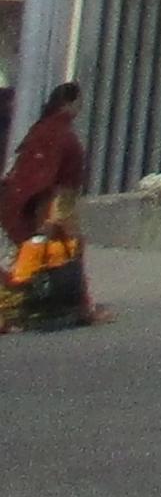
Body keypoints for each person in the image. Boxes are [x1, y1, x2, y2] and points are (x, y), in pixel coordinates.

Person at [1, 80, 89, 333]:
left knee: (42, 256)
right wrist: (52, 216)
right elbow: (47, 179)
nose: (80, 108)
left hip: (33, 202)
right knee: (52, 255)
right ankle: (37, 307)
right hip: (46, 204)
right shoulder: (58, 133)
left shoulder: (45, 129)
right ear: (68, 103)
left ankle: (44, 305)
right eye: (78, 102)